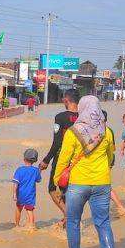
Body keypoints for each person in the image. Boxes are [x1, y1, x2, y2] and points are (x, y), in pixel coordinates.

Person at [53, 95, 118, 248]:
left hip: (78, 184)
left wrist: (57, 181)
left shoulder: (73, 131)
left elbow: (63, 159)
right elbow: (110, 158)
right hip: (102, 183)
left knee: (73, 221)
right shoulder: (107, 131)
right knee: (103, 223)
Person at [39, 89, 80, 224]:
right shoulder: (84, 117)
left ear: (66, 100)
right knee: (69, 189)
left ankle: (69, 216)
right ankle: (69, 216)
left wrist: (46, 160)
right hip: (80, 160)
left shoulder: (60, 117)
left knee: (53, 189)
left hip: (62, 158)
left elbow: (57, 142)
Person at [12, 148, 42, 229]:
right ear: (35, 160)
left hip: (20, 194)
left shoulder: (19, 170)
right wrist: (40, 171)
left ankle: (17, 225)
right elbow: (38, 180)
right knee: (30, 211)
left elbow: (15, 183)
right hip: (30, 195)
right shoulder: (36, 170)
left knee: (18, 209)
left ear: (24, 158)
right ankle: (32, 227)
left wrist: (14, 194)